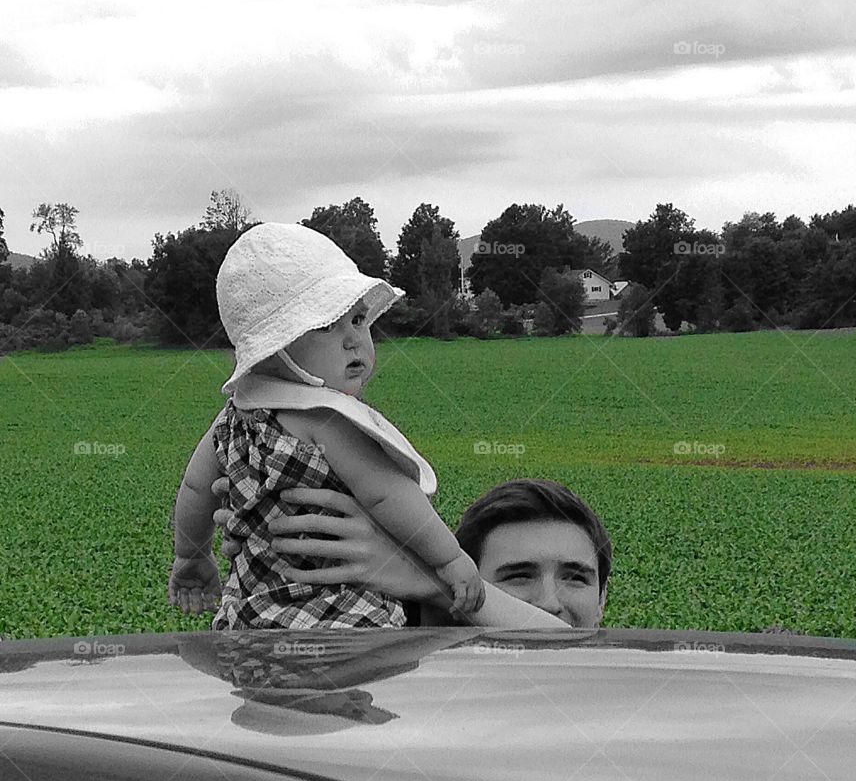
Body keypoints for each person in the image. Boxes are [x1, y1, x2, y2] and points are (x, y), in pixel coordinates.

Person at [168, 222, 484, 631]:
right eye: (324, 325)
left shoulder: (232, 416)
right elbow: (388, 495)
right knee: (351, 694)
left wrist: (191, 556)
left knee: (263, 693)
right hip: (341, 613)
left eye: (357, 319)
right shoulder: (326, 418)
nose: (355, 340)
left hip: (252, 613)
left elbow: (195, 489)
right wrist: (449, 559)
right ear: (273, 347)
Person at [175, 477, 612, 630]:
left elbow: (551, 641)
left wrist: (427, 576)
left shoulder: (630, 693)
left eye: (576, 577)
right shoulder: (415, 685)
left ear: (603, 599)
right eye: (519, 576)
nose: (551, 602)